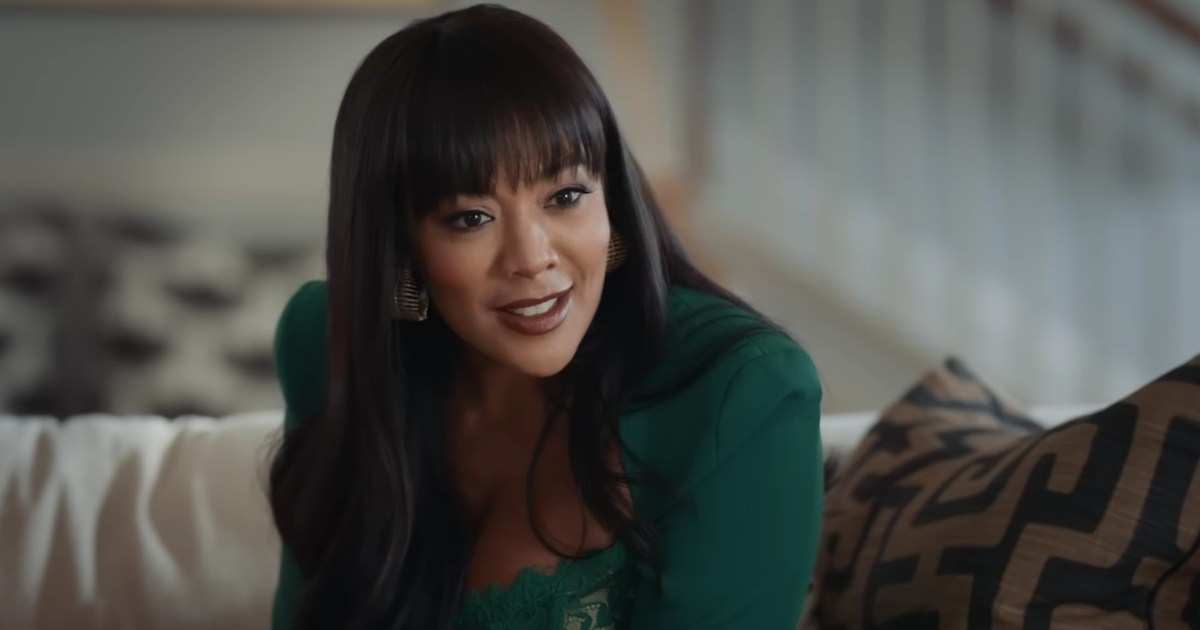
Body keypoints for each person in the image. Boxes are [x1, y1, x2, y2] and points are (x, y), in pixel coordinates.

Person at [268, 4, 823, 629]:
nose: (532, 258)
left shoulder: (744, 392)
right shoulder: (332, 340)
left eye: (565, 196)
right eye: (471, 218)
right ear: (400, 244)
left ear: (611, 197)